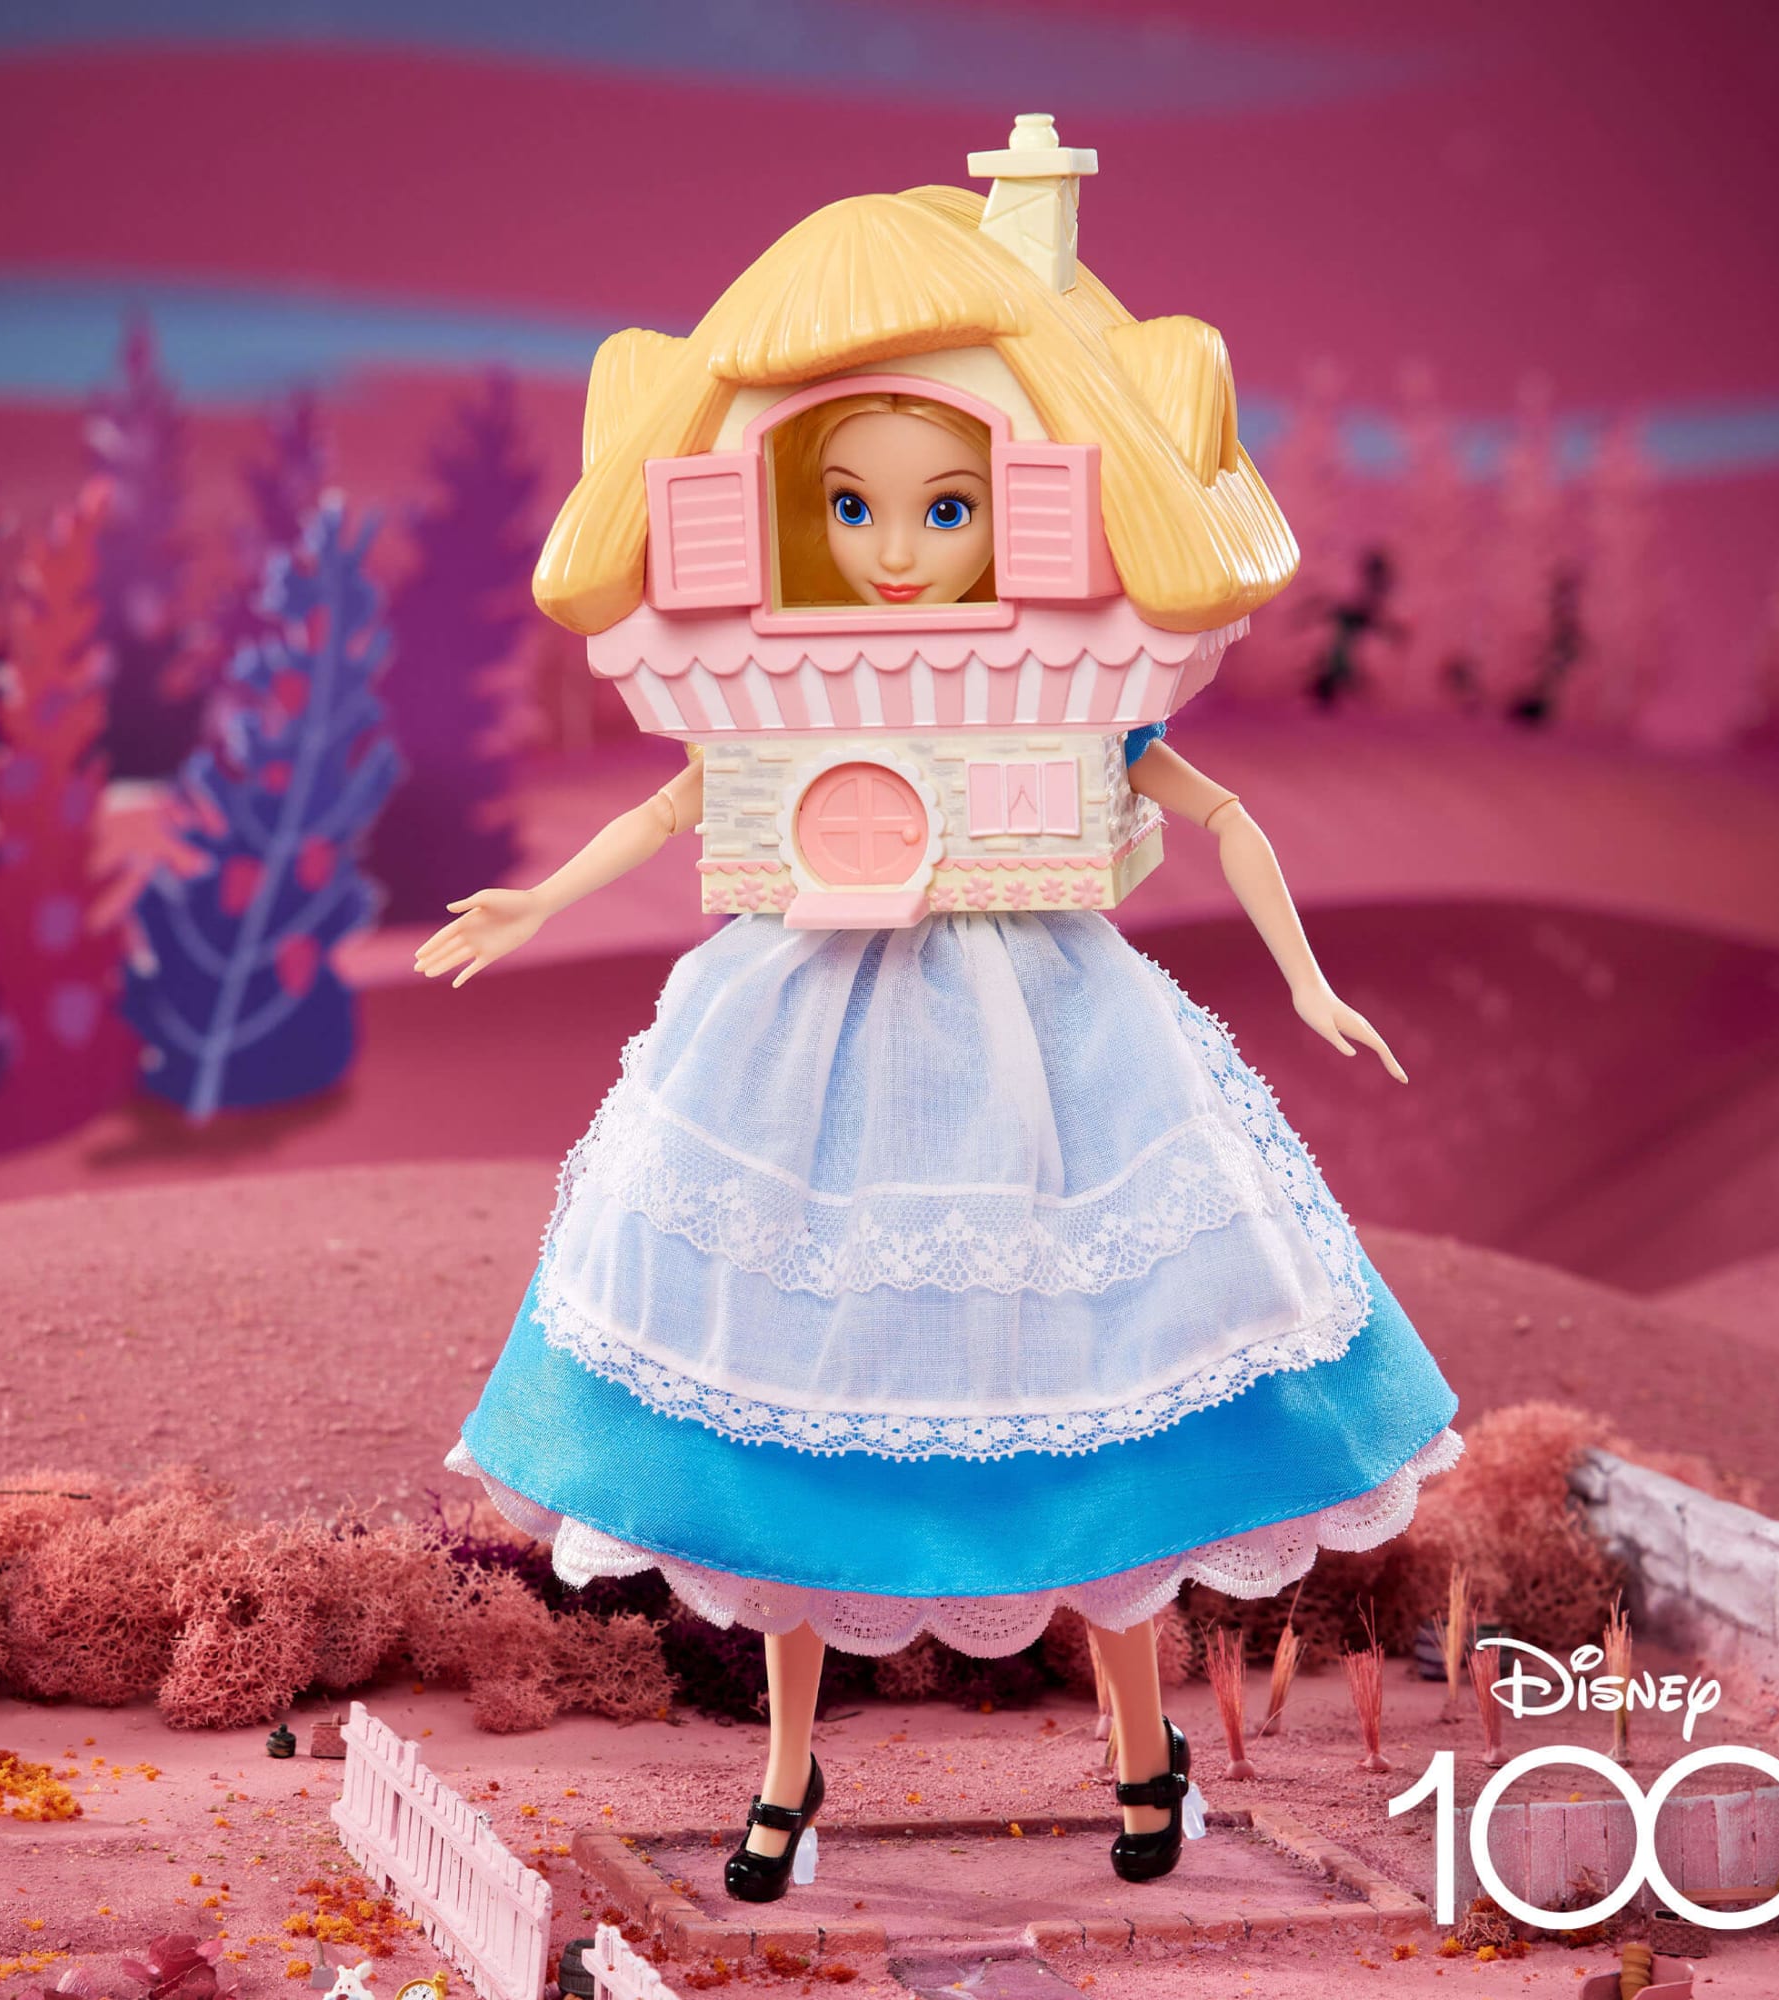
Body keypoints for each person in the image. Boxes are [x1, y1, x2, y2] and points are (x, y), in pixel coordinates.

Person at [422, 174, 1461, 1902]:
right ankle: (787, 1769)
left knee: (1088, 1410)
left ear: (1025, 508)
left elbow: (1219, 815)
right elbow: (679, 804)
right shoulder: (777, 679)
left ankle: (1141, 1743)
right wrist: (532, 902)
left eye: (947, 505)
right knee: (787, 1416)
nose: (895, 549)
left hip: (1042, 1044)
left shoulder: (1071, 680)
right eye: (850, 506)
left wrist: (1307, 979)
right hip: (793, 1047)